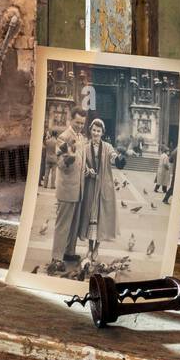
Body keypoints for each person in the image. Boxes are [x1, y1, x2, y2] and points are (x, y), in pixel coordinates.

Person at [76, 118, 119, 262]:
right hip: (90, 186)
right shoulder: (85, 147)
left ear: (102, 133)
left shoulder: (107, 147)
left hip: (103, 187)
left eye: (98, 131)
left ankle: (96, 248)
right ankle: (89, 247)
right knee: (90, 216)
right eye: (94, 130)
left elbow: (112, 156)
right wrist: (88, 171)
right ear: (90, 130)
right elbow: (81, 164)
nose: (96, 133)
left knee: (102, 218)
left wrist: (117, 159)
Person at [51, 111, 86, 266]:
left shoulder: (81, 138)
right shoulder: (63, 137)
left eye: (82, 123)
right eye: (77, 122)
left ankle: (69, 252)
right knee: (63, 224)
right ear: (70, 120)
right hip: (67, 188)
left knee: (73, 224)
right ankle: (57, 258)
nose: (80, 126)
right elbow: (60, 163)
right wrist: (67, 161)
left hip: (78, 188)